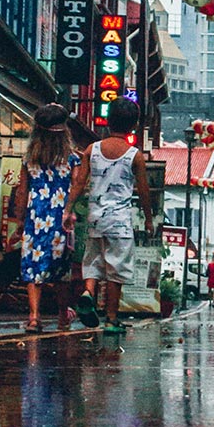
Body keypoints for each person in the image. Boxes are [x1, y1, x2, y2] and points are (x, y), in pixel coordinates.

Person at [64, 97, 154, 333]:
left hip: (96, 217)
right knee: (116, 269)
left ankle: (88, 292)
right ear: (133, 125)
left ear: (108, 121)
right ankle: (112, 318)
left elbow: (79, 182)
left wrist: (68, 209)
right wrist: (148, 218)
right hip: (120, 221)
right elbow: (143, 191)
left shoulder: (91, 150)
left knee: (93, 261)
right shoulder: (134, 155)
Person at [14, 103, 78, 333]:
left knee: (33, 265)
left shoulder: (29, 159)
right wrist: (71, 210)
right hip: (62, 218)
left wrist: (20, 221)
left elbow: (22, 192)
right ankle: (62, 315)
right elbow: (78, 187)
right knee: (60, 270)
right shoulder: (72, 159)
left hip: (36, 216)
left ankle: (33, 317)